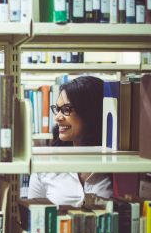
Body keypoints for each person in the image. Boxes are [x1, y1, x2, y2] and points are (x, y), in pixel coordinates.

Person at [27, 75, 112, 206]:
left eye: (66, 109)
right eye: (57, 109)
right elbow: (33, 219)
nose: (57, 118)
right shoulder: (44, 168)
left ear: (89, 112)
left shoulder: (118, 167)